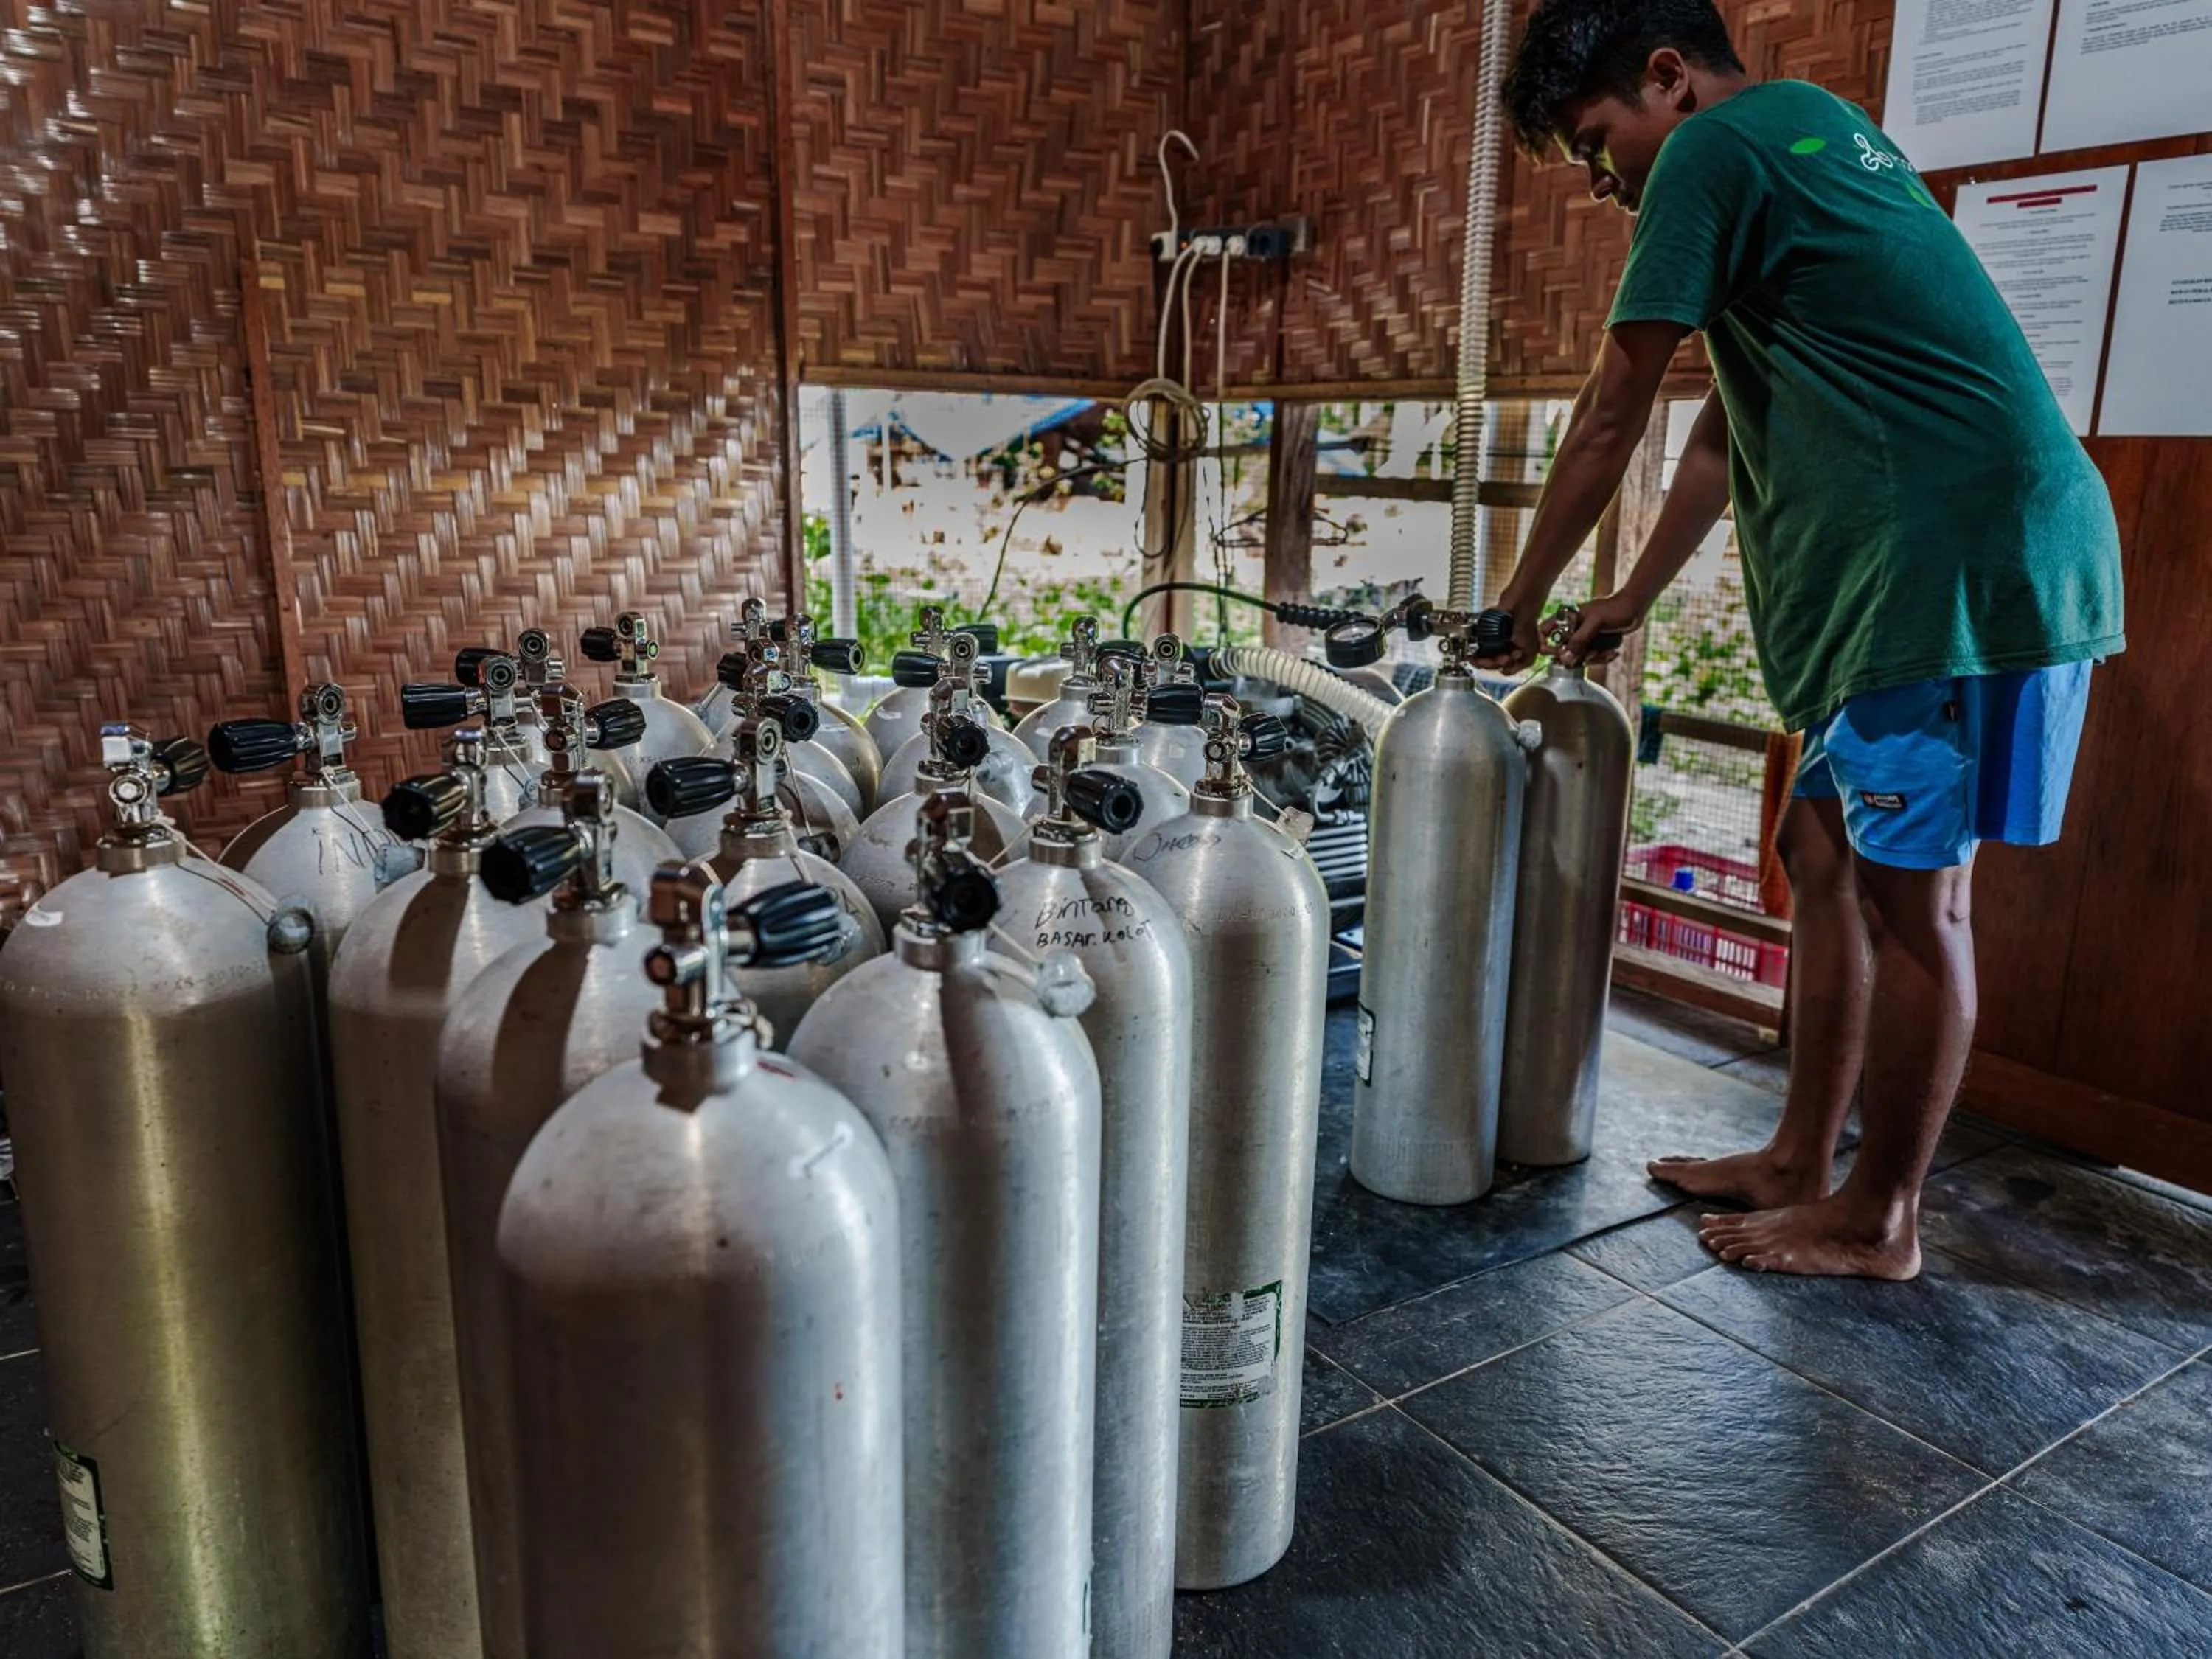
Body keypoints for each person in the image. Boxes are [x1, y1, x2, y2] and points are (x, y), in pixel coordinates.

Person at [1486, 0, 2124, 1277]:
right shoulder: (1814, 130)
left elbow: (1615, 408)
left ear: (1667, 78)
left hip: (1953, 568)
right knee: (1815, 845)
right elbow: (1728, 422)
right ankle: (1798, 1156)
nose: (1607, 183)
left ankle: (1879, 1215)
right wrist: (1634, 593)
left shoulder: (1718, 153)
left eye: (1596, 143)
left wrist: (1512, 602)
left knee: (1917, 900)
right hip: (1965, 544)